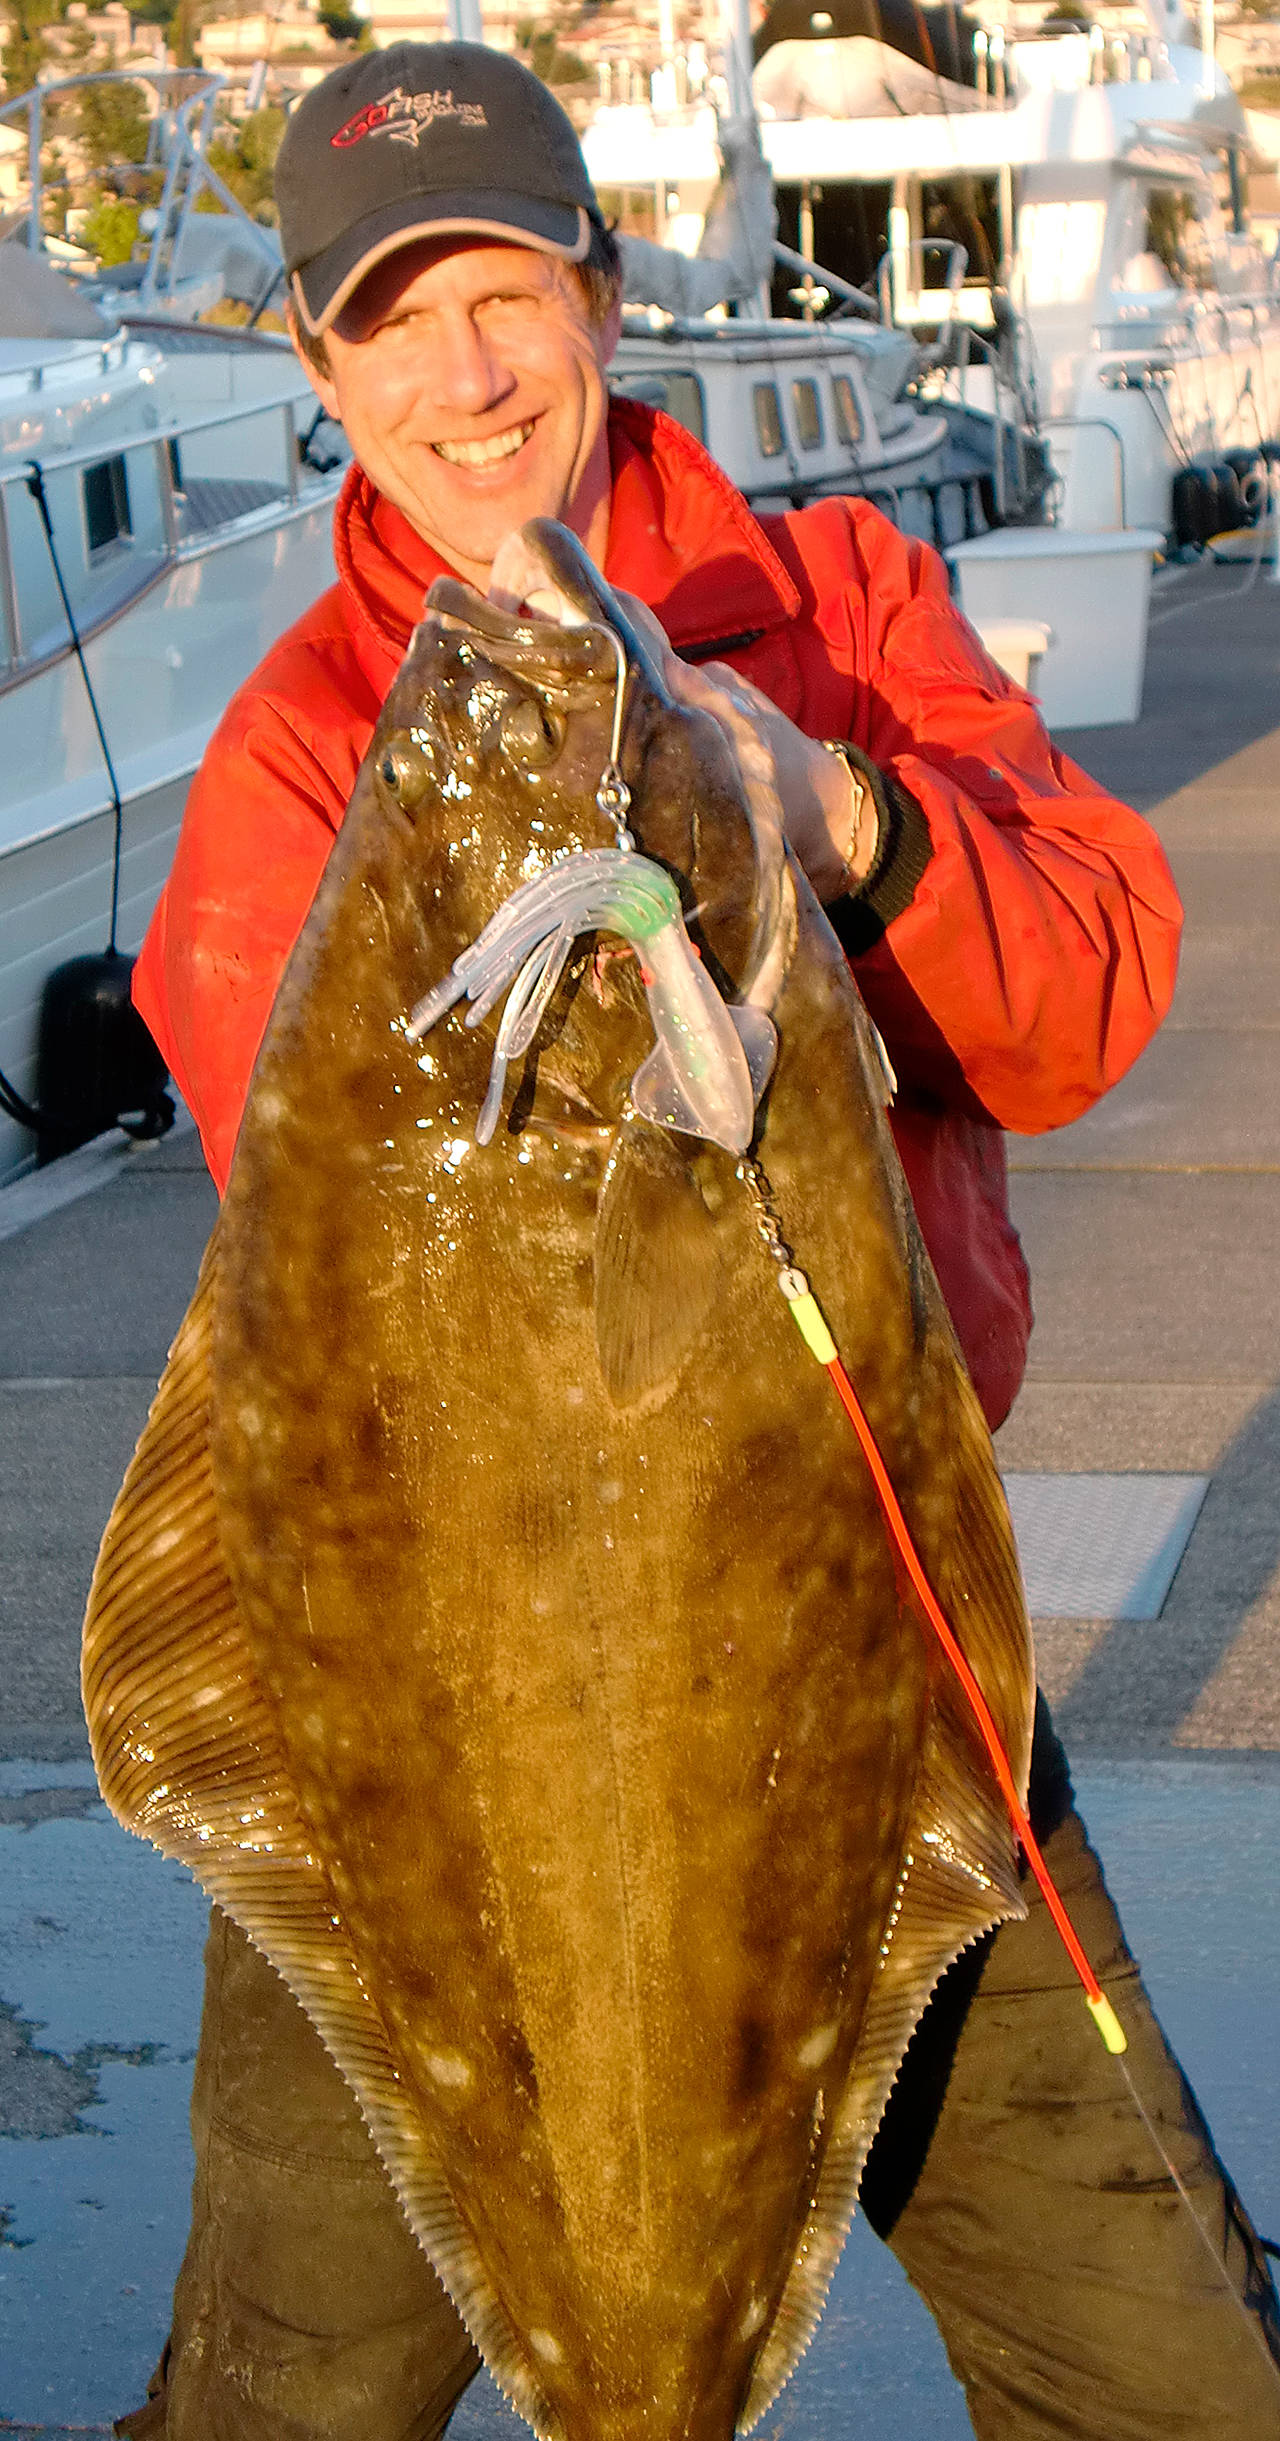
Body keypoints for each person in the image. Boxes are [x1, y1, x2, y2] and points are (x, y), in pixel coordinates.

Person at [119, 41, 1280, 2441]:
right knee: (281, 2406)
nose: (464, 376)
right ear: (320, 368)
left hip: (861, 1638)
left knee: (1175, 2377)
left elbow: (1087, 988)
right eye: (392, 321)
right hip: (422, 1730)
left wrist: (830, 817)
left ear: (604, 296)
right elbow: (326, 1274)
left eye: (505, 297)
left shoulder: (836, 603)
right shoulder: (294, 762)